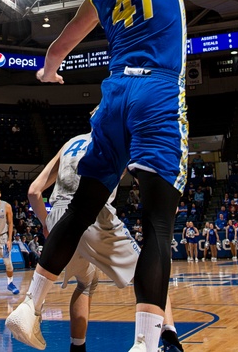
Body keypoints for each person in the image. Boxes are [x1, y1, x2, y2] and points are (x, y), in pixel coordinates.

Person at [6, 0, 223, 352]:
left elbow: (62, 43)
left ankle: (30, 305)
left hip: (112, 98)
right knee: (157, 222)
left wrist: (50, 72)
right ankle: (148, 341)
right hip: (154, 94)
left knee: (80, 209)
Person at [25, 132, 184, 352]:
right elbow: (144, 174)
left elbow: (34, 191)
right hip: (91, 213)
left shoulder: (69, 142)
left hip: (58, 218)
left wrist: (47, 225)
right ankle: (169, 336)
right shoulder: (116, 137)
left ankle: (75, 346)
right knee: (149, 268)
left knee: (85, 282)